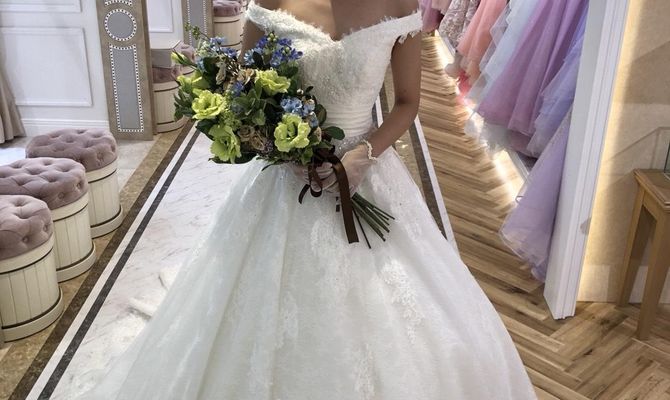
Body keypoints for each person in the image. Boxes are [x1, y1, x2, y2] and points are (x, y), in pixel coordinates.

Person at [82, 0, 537, 398]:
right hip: (285, 179)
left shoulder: (399, 3)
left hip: (365, 171)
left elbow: (406, 103)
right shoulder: (272, 1)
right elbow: (244, 90)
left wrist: (364, 155)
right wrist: (277, 149)